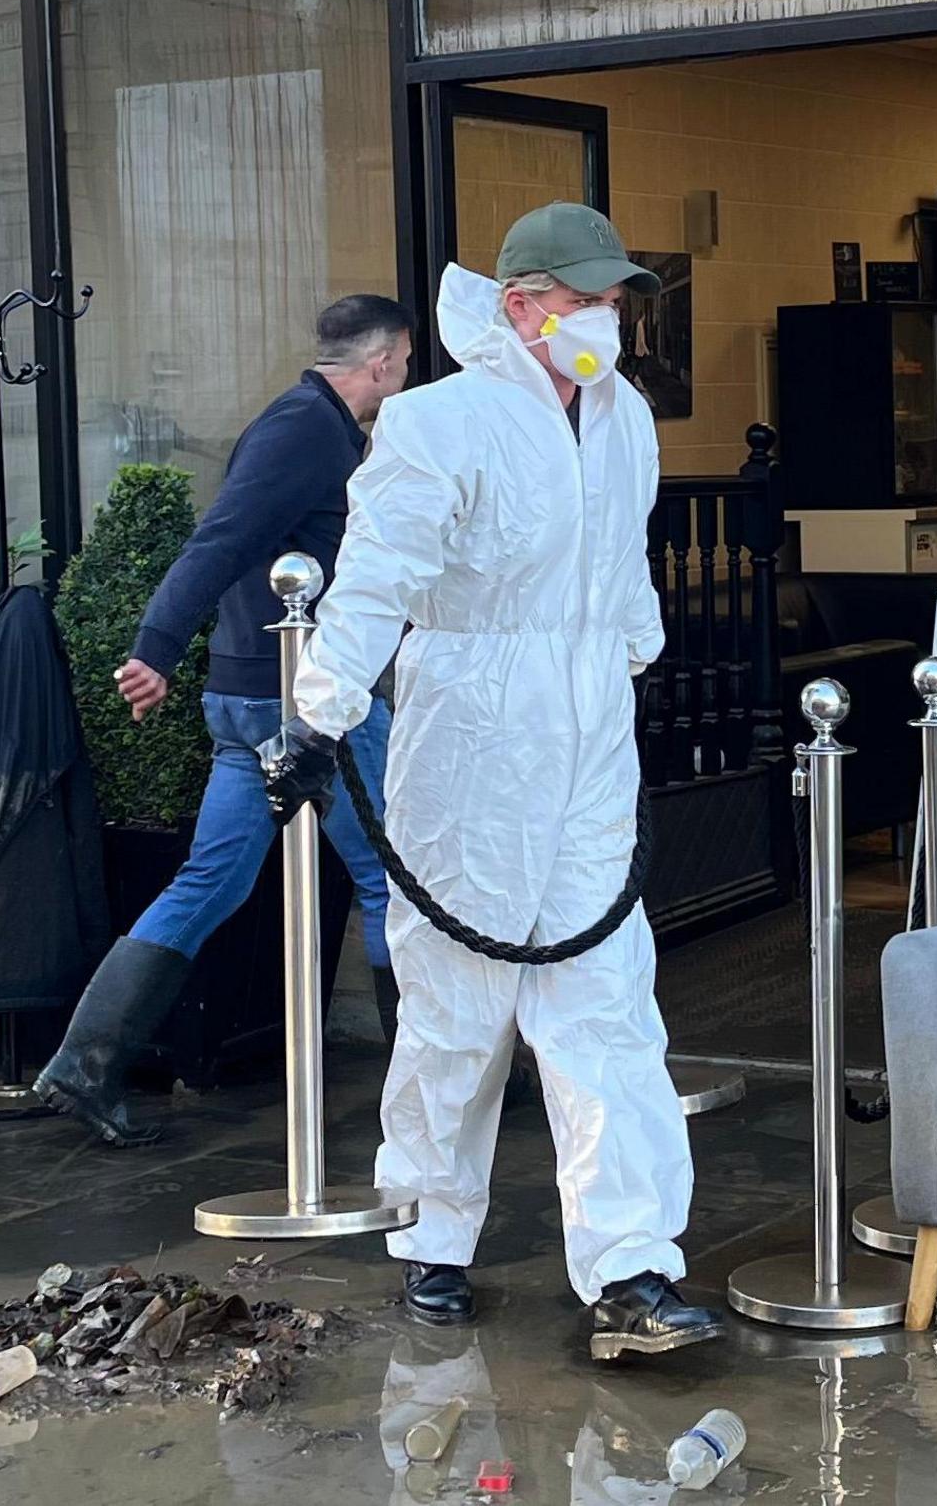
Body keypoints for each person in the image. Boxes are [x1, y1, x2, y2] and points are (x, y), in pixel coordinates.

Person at [270, 203, 717, 1363]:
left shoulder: (624, 423)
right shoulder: (437, 423)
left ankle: (631, 1269)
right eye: (584, 300)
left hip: (587, 755)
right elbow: (377, 578)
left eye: (615, 300)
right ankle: (432, 1235)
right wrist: (322, 713)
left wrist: (631, 655)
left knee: (607, 1012)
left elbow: (622, 568)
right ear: (520, 304)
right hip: (469, 749)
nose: (605, 320)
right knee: (456, 1011)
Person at [30, 292, 417, 1148]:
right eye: (406, 364)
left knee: (213, 880)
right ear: (385, 359)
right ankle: (434, 1093)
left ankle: (85, 1066)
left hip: (250, 701)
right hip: (311, 702)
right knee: (394, 880)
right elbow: (220, 537)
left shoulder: (315, 425)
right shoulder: (304, 431)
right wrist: (155, 645)